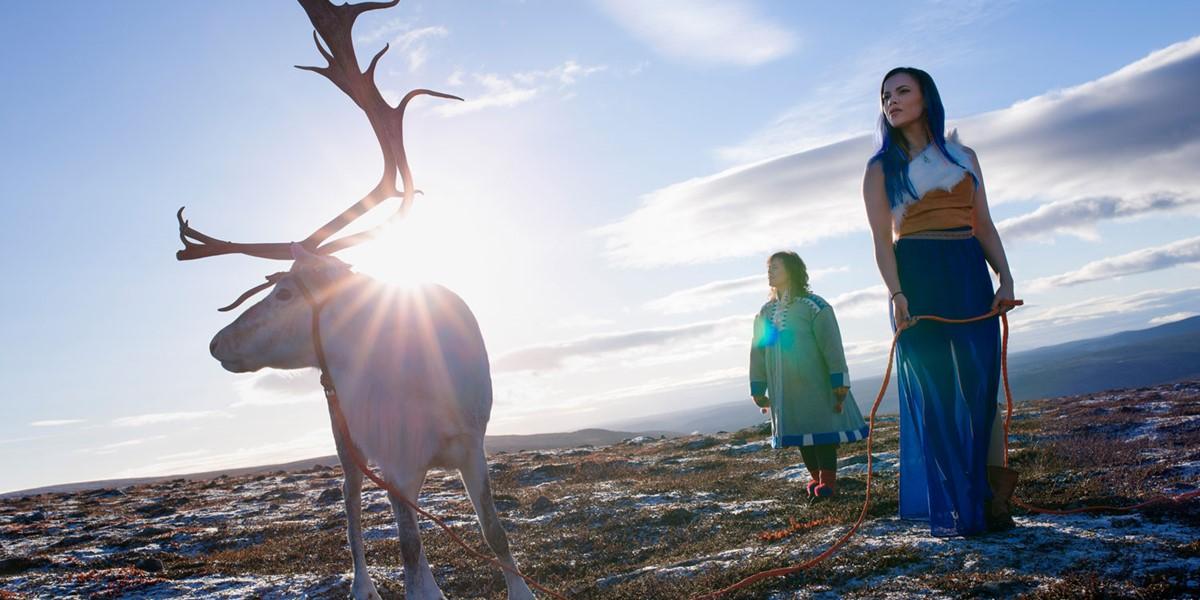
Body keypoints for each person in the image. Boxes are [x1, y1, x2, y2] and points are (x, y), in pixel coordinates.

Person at [862, 67, 1018, 536]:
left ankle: (990, 500)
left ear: (926, 97)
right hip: (918, 276)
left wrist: (1005, 278)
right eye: (885, 95)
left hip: (968, 269)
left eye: (902, 91)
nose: (891, 101)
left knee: (980, 388)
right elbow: (881, 241)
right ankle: (959, 506)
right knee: (936, 394)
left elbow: (984, 224)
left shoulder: (964, 155)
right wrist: (897, 294)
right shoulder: (879, 168)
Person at [750, 251, 869, 498]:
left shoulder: (815, 306)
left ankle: (828, 483)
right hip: (784, 387)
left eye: (776, 268)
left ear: (791, 271)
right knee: (800, 433)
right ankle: (816, 482)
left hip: (816, 382)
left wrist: (839, 379)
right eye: (768, 268)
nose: (770, 273)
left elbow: (832, 344)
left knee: (820, 430)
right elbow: (758, 350)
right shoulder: (764, 313)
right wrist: (758, 386)